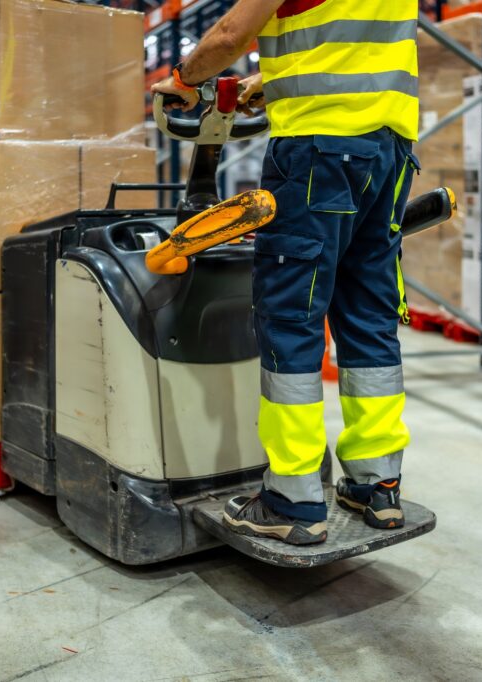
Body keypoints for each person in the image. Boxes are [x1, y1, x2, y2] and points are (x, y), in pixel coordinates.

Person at [152, 0, 420, 546]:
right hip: (389, 153)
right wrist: (270, 80)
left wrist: (182, 79)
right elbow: (350, 49)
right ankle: (377, 484)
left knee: (291, 317)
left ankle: (292, 500)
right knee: (368, 316)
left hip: (318, 154)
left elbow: (229, 35)